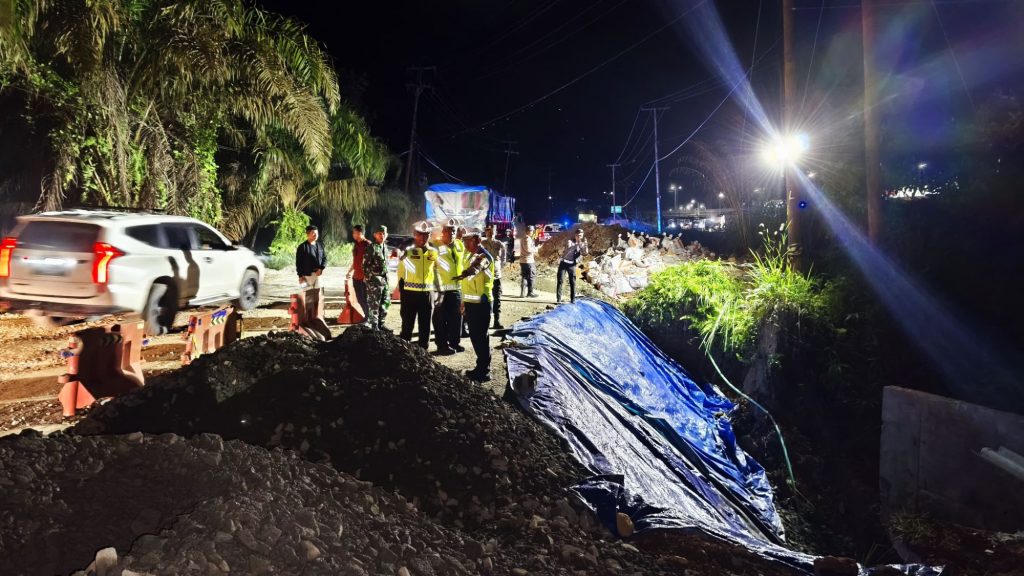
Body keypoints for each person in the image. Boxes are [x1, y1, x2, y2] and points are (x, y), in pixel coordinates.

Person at [454, 228, 494, 382]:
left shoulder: (484, 255)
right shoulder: (469, 255)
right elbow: (467, 283)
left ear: (477, 240)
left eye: (467, 240)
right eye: (464, 240)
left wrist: (464, 274)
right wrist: (464, 301)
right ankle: (480, 367)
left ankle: (484, 371)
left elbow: (476, 268)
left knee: (481, 337)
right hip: (471, 303)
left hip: (481, 303)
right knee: (475, 337)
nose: (464, 243)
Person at [398, 221, 439, 349]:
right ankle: (404, 352)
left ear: (429, 235)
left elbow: (436, 271)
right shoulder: (407, 252)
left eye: (426, 234)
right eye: (420, 234)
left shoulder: (433, 252)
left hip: (427, 294)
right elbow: (400, 274)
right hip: (409, 293)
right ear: (414, 234)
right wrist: (403, 293)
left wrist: (439, 291)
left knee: (425, 326)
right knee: (407, 325)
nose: (423, 237)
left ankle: (424, 352)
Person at [431, 219, 465, 355]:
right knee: (440, 319)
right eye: (448, 231)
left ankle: (454, 343)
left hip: (456, 288)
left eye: (453, 231)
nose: (451, 234)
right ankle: (442, 345)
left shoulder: (459, 245)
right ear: (443, 232)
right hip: (440, 290)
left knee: (456, 318)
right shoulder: (435, 246)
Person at [362, 225, 390, 331]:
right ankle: (374, 326)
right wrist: (370, 280)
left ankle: (381, 323)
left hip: (384, 280)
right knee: (374, 304)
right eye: (380, 234)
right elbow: (364, 265)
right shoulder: (371, 248)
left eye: (384, 234)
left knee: (385, 302)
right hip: (374, 281)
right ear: (375, 235)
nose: (382, 236)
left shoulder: (385, 248)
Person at [481, 225, 507, 330]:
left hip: (496, 275)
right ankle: (484, 322)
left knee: (497, 299)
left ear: (495, 232)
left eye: (492, 231)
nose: (490, 233)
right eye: (488, 231)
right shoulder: (482, 243)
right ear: (485, 232)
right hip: (485, 275)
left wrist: (500, 266)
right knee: (484, 299)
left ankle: (497, 321)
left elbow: (504, 257)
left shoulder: (499, 244)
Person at [556, 228, 589, 304]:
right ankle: (558, 299)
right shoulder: (570, 241)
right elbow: (569, 249)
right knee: (560, 280)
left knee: (572, 282)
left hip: (572, 265)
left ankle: (573, 300)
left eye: (581, 236)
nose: (579, 237)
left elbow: (585, 253)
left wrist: (585, 246)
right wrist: (578, 244)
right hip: (563, 263)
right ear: (575, 235)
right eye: (578, 235)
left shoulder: (582, 244)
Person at [348, 224, 370, 315]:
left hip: (364, 278)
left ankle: (368, 317)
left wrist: (366, 276)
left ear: (360, 233)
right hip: (356, 276)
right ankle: (366, 316)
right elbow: (355, 260)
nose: (353, 234)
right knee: (360, 299)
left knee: (365, 299)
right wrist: (349, 271)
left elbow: (370, 262)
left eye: (354, 232)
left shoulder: (368, 245)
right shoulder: (356, 244)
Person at [519, 225, 539, 298]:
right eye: (531, 230)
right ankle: (530, 292)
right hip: (528, 260)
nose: (532, 232)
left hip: (523, 260)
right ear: (528, 231)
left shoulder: (523, 238)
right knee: (531, 277)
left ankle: (522, 293)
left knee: (524, 276)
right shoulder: (528, 239)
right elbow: (528, 249)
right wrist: (536, 249)